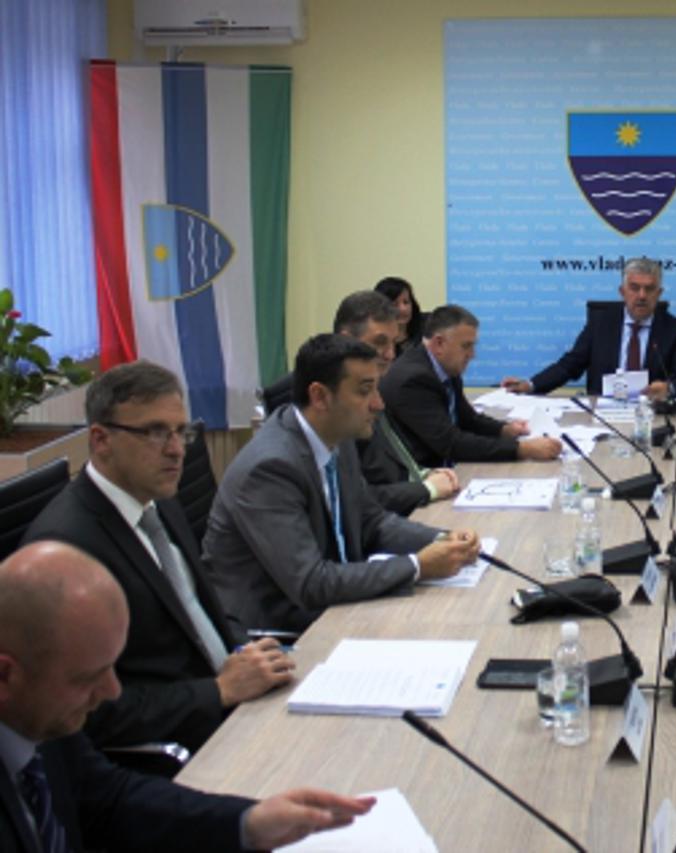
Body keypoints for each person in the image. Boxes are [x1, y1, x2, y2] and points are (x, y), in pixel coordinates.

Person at [0, 541, 374, 852]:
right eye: (89, 677)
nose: (113, 690)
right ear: (5, 675)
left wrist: (249, 822)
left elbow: (110, 800)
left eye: (112, 667)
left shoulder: (45, 715)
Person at [20, 361, 293, 756]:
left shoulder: (156, 498)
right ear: (101, 440)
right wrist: (218, 690)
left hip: (242, 700)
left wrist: (248, 653)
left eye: (181, 431)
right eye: (154, 432)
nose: (177, 450)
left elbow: (200, 610)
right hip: (188, 742)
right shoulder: (68, 550)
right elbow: (91, 715)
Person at [203, 334, 482, 634]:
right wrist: (417, 566)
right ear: (320, 397)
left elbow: (371, 522)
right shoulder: (269, 469)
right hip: (277, 631)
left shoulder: (337, 436)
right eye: (365, 391)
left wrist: (441, 539)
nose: (378, 404)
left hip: (333, 605)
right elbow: (310, 582)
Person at [381, 305, 562, 467]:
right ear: (439, 344)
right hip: (422, 476)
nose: (472, 354)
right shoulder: (413, 379)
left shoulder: (446, 367)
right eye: (466, 346)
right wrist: (522, 449)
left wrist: (505, 429)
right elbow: (451, 443)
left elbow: (467, 420)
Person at [500, 257, 676, 400]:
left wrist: (668, 388)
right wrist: (530, 385)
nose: (641, 295)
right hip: (602, 413)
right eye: (634, 288)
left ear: (659, 294)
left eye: (649, 289)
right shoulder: (600, 323)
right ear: (622, 292)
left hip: (650, 414)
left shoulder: (674, 329)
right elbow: (569, 366)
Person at [334, 291, 461, 515]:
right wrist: (427, 489)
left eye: (393, 343)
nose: (390, 354)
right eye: (380, 342)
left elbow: (395, 460)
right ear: (346, 340)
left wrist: (423, 474)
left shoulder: (375, 385)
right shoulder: (334, 403)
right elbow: (352, 500)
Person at [374, 276, 423, 357]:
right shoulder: (375, 339)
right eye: (395, 304)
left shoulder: (426, 328)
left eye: (406, 302)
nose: (403, 309)